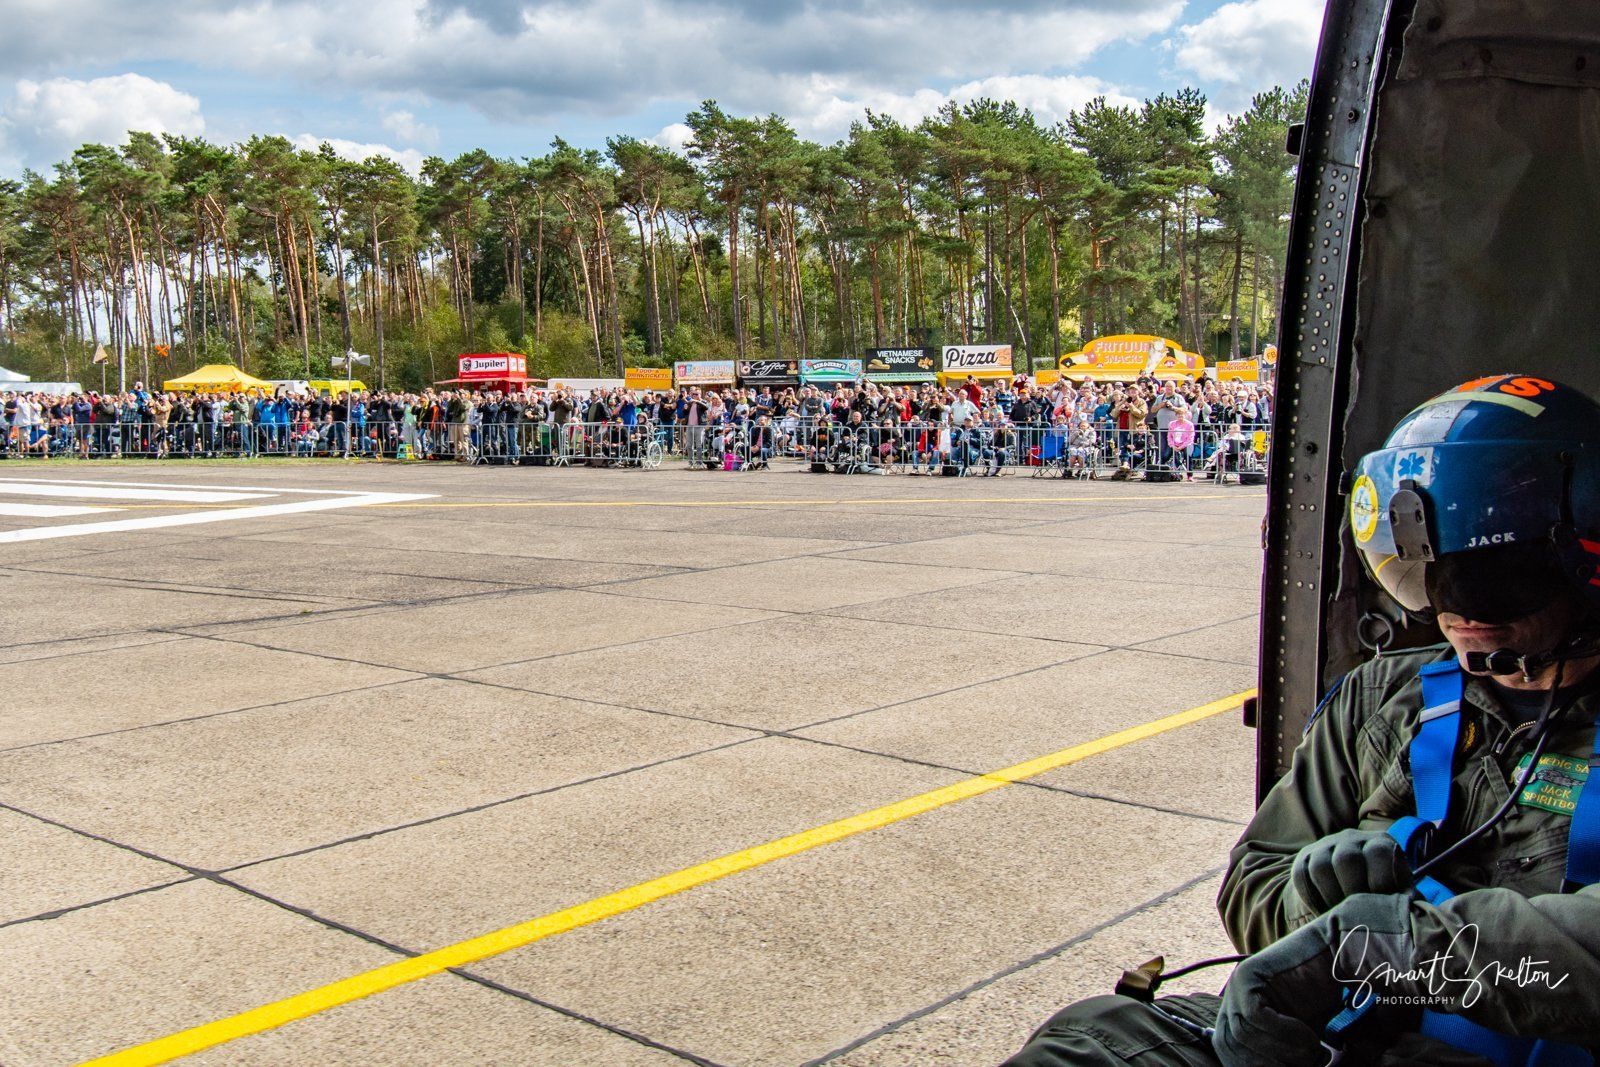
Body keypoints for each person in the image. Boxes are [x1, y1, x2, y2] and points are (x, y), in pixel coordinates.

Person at [1007, 375, 1600, 1067]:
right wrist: (1306, 899)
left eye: (1499, 571)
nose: (1461, 607)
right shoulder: (1382, 697)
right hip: (1343, 1035)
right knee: (1089, 1041)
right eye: (1435, 572)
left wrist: (1400, 944)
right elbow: (1254, 879)